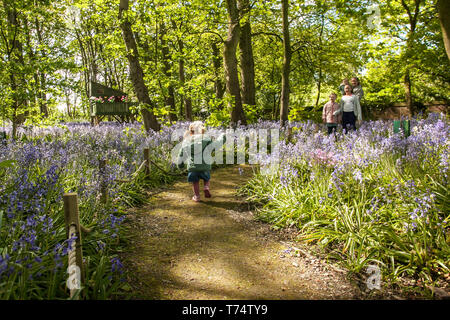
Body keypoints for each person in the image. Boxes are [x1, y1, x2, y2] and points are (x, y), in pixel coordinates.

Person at [177, 121, 226, 202]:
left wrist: (180, 165)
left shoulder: (186, 141)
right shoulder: (206, 139)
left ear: (191, 131)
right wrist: (223, 137)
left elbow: (181, 154)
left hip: (193, 167)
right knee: (206, 178)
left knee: (195, 182)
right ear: (202, 130)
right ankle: (206, 187)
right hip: (205, 166)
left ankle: (197, 196)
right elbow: (215, 146)